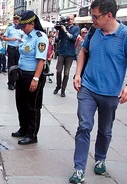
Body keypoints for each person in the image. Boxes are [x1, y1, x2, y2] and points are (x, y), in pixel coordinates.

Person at [69, 0, 127, 183]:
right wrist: (78, 74)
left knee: (105, 130)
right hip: (88, 88)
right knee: (84, 126)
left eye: (95, 16)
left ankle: (100, 158)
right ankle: (79, 169)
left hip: (111, 93)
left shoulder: (124, 36)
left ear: (109, 15)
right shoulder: (94, 31)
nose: (92, 20)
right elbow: (83, 51)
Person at [12, 10, 48, 145]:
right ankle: (23, 128)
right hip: (21, 74)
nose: (22, 28)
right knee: (20, 104)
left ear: (32, 24)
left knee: (32, 106)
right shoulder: (26, 36)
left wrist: (36, 79)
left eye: (24, 26)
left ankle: (32, 134)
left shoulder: (40, 37)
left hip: (33, 75)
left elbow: (41, 60)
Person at [53, 14, 80, 97]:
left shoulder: (76, 28)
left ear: (73, 20)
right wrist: (57, 31)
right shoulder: (62, 27)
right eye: (68, 19)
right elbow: (57, 40)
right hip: (61, 52)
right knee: (59, 71)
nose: (69, 21)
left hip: (70, 53)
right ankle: (58, 86)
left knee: (66, 73)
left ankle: (63, 89)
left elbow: (73, 38)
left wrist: (65, 31)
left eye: (71, 19)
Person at [2, 14, 24, 90]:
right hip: (11, 48)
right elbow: (4, 38)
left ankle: (16, 82)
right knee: (11, 66)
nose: (16, 20)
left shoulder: (22, 28)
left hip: (19, 48)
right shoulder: (10, 28)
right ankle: (10, 83)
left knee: (19, 66)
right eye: (15, 19)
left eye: (17, 19)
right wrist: (11, 39)